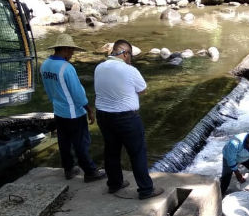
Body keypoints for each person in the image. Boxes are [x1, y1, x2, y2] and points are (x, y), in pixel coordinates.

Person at [94, 39, 163, 199]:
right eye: (130, 55)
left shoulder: (99, 67)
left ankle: (114, 184)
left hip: (103, 116)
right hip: (126, 118)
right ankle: (146, 190)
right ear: (125, 53)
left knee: (111, 151)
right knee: (137, 152)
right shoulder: (129, 70)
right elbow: (143, 89)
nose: (131, 58)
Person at [40, 34, 105, 182]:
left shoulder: (45, 65)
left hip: (58, 110)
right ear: (64, 49)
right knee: (81, 143)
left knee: (64, 141)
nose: (72, 54)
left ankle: (68, 169)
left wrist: (56, 102)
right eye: (71, 51)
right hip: (73, 113)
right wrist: (89, 109)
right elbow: (77, 93)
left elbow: (48, 90)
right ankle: (90, 172)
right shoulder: (66, 68)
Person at [220, 129, 249, 194]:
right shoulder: (234, 144)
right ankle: (221, 193)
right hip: (230, 157)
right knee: (226, 179)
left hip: (248, 157)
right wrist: (238, 174)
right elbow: (231, 160)